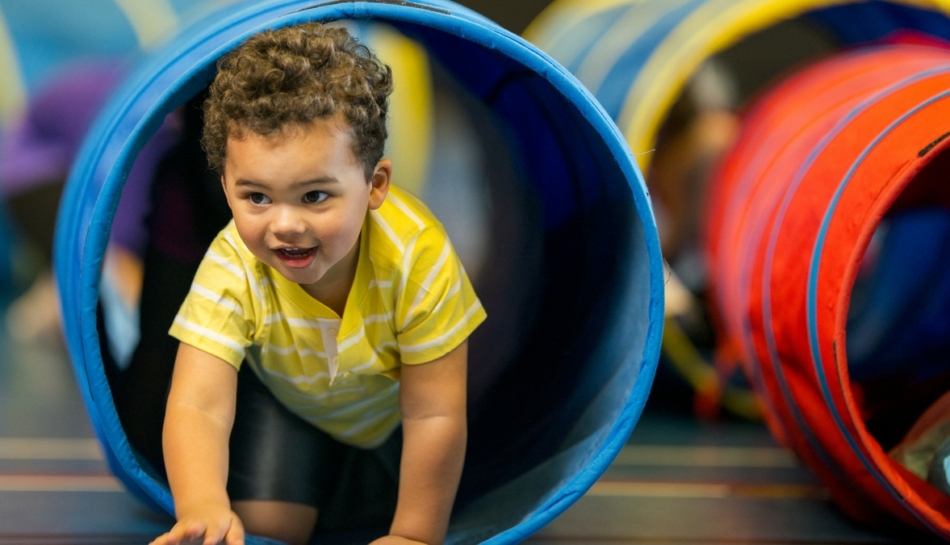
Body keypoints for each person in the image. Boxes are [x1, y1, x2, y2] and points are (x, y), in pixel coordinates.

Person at [150, 22, 486, 545]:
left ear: (374, 186)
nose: (285, 224)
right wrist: (204, 506)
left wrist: (416, 535)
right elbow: (199, 404)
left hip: (395, 415)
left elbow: (434, 410)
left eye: (314, 196)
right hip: (293, 404)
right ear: (225, 187)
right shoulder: (234, 262)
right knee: (267, 531)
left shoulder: (415, 256)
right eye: (256, 197)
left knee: (414, 508)